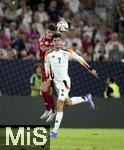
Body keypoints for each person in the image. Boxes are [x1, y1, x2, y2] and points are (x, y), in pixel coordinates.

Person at [44, 33, 98, 138]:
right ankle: (86, 98)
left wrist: (90, 69)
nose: (57, 42)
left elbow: (79, 59)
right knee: (68, 103)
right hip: (56, 83)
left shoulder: (67, 52)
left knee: (59, 103)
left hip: (65, 82)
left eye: (58, 40)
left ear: (61, 42)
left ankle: (54, 131)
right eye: (55, 41)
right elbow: (47, 68)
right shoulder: (48, 54)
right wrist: (48, 79)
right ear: (52, 42)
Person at [38, 23, 56, 122]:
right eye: (49, 32)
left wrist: (55, 45)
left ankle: (51, 110)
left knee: (44, 89)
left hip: (52, 68)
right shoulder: (41, 39)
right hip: (45, 66)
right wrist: (53, 47)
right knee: (44, 91)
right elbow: (42, 49)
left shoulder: (55, 40)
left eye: (52, 33)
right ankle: (50, 110)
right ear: (46, 31)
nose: (50, 34)